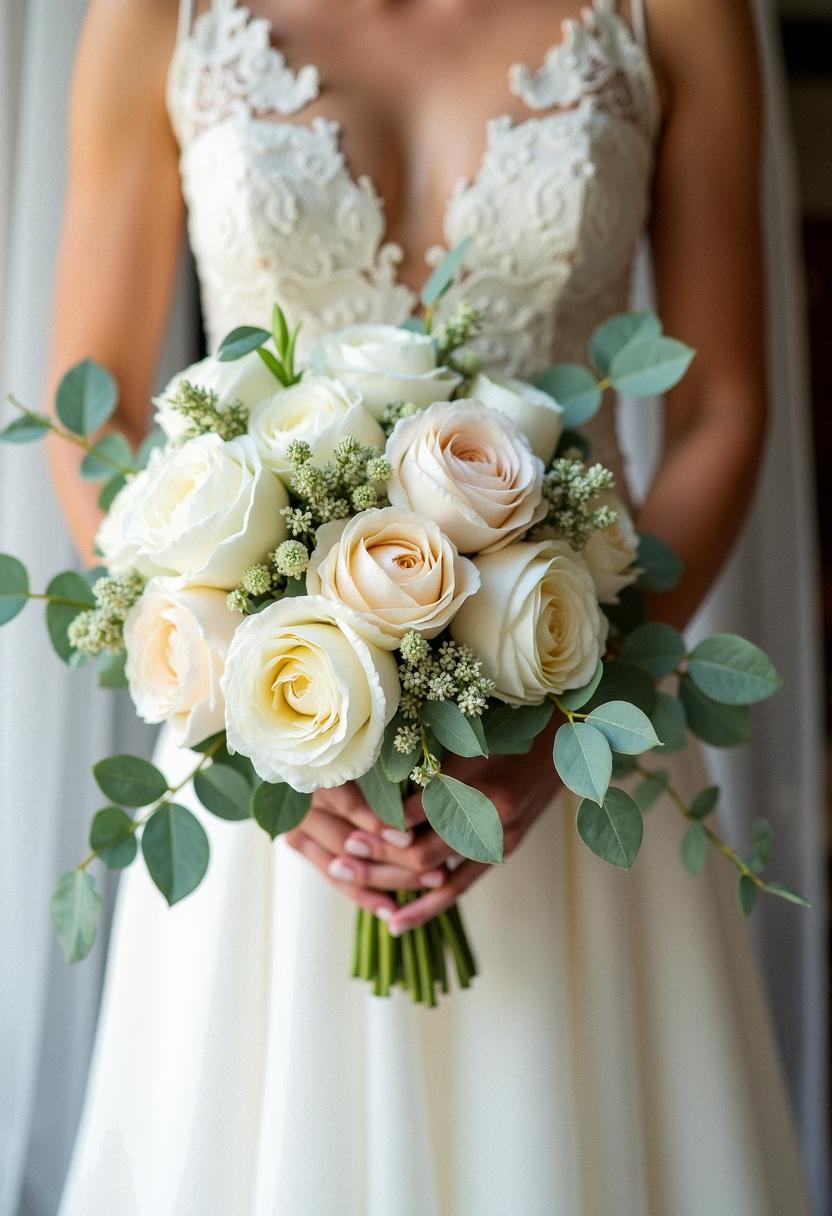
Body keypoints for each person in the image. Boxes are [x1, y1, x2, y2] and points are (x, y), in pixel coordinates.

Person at [51, 1, 810, 1212]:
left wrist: (571, 713)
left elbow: (722, 405)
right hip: (272, 759)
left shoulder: (674, 14)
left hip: (576, 736)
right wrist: (236, 717)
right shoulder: (155, 14)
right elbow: (88, 410)